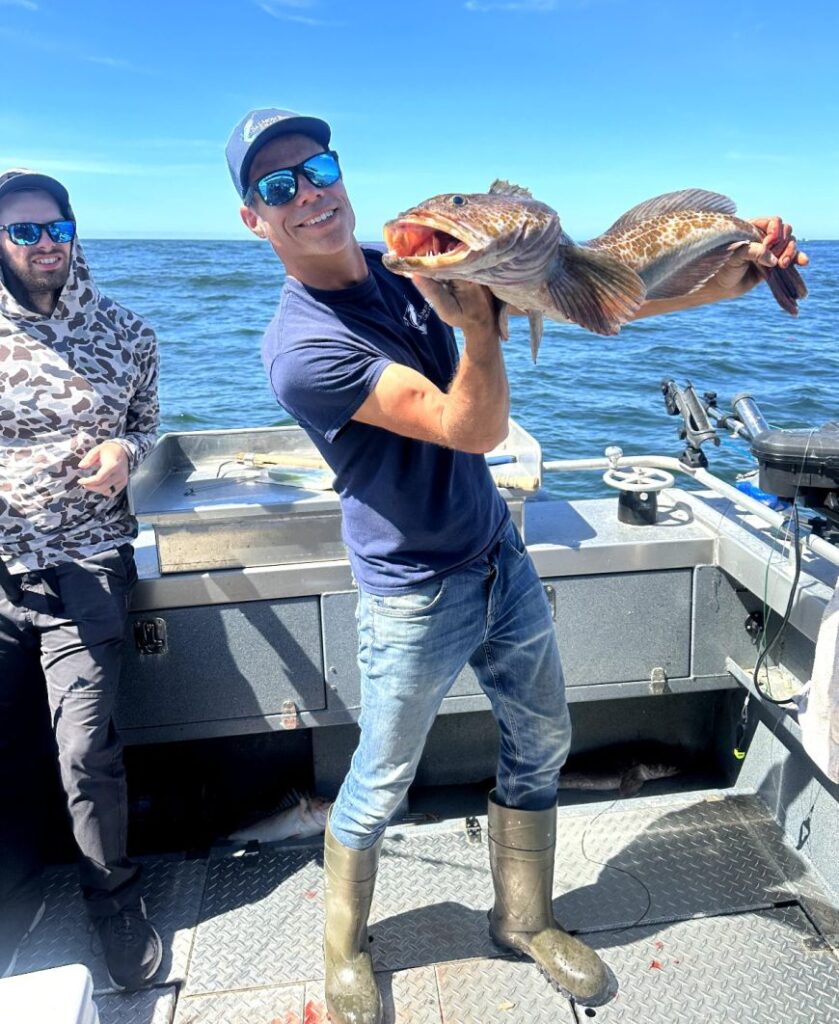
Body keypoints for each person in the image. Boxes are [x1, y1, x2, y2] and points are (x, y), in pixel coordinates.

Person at [225, 108, 807, 1022]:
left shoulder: (409, 269)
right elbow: (473, 427)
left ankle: (523, 918)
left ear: (340, 176)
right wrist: (478, 328)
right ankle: (343, 946)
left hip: (497, 553)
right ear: (254, 221)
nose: (306, 192)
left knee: (541, 740)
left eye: (317, 168)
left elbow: (600, 296)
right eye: (275, 187)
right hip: (411, 591)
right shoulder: (300, 350)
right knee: (379, 777)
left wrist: (734, 277)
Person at [0, 169, 163, 990]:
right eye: (23, 231)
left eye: (55, 226)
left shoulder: (127, 333)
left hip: (87, 565)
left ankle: (115, 903)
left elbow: (146, 426)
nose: (45, 242)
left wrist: (125, 454)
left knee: (84, 746)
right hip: (0, 569)